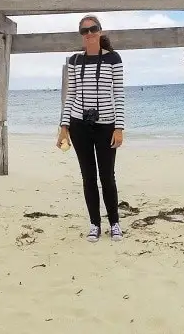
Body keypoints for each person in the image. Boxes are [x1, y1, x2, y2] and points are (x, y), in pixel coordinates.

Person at [57, 15, 125, 242]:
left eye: (92, 29)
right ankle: (94, 223)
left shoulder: (114, 59)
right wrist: (64, 126)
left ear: (100, 31)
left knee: (107, 176)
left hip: (106, 125)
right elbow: (71, 95)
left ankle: (114, 222)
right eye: (84, 31)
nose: (89, 34)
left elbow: (119, 94)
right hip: (79, 125)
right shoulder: (75, 61)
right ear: (81, 35)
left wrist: (119, 127)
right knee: (88, 177)